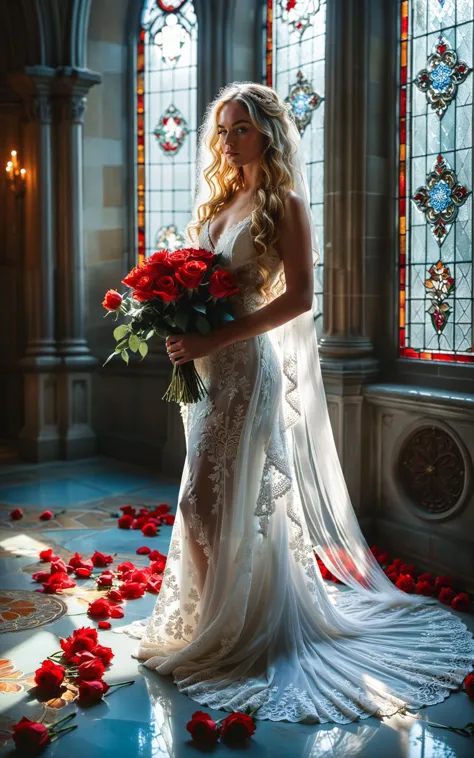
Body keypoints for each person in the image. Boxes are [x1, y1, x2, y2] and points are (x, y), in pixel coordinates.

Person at [116, 82, 474, 725]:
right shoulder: (221, 200)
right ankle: (214, 613)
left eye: (241, 128)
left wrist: (218, 333)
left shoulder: (285, 202)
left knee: (214, 494)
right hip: (206, 366)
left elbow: (301, 298)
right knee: (207, 495)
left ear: (269, 133)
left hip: (246, 365)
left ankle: (233, 628)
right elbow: (203, 285)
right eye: (222, 129)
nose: (229, 140)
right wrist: (178, 321)